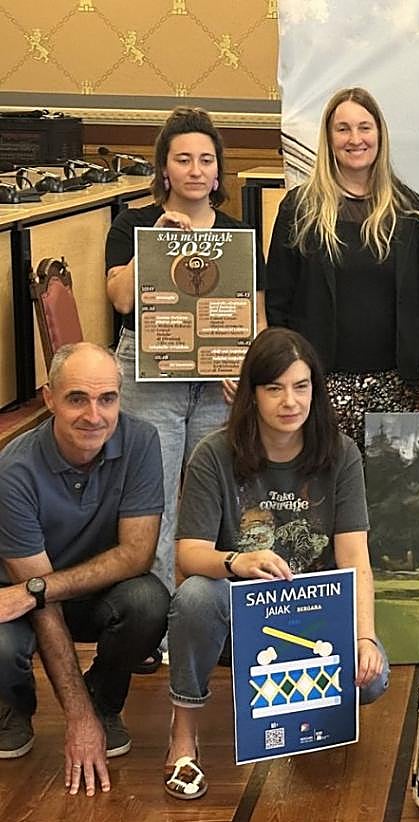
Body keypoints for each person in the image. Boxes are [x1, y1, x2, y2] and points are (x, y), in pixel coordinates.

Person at [162, 328, 388, 800]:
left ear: (315, 390)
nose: (290, 401)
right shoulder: (214, 454)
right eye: (274, 388)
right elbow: (188, 555)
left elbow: (355, 560)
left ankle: (306, 720)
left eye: (301, 386)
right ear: (252, 394)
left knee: (373, 680)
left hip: (315, 616)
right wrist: (237, 561)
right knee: (194, 597)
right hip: (241, 614)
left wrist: (364, 637)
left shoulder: (342, 454)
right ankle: (183, 731)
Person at [104, 106, 266, 661]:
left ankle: (201, 624)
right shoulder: (132, 223)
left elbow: (258, 316)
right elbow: (121, 300)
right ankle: (150, 626)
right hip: (150, 377)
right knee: (152, 501)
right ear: (165, 169)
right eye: (184, 160)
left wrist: (245, 369)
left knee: (209, 502)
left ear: (219, 172)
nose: (196, 170)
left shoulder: (238, 234)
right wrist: (151, 243)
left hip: (217, 382)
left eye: (207, 160)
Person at [0, 343, 169, 795]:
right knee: (0, 643)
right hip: (20, 601)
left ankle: (104, 702)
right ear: (49, 398)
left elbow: (136, 556)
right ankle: (12, 705)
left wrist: (38, 588)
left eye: (107, 399)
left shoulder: (142, 441)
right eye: (77, 398)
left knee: (149, 600)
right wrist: (75, 720)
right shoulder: (12, 471)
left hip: (80, 592)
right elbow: (38, 603)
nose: (94, 415)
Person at [267, 87, 419, 448]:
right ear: (329, 138)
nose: (355, 139)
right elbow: (278, 300)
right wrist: (287, 372)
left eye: (364, 127)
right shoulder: (299, 210)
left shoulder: (410, 211)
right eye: (343, 129)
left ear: (379, 134)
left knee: (391, 499)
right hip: (319, 383)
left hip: (397, 384)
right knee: (323, 494)